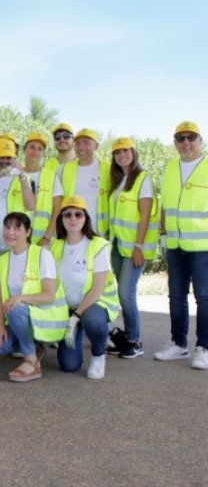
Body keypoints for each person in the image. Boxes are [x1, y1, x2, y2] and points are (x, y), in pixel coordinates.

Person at [0, 212, 68, 382]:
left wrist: (20, 298)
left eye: (18, 228)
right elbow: (0, 300)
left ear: (28, 232)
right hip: (21, 318)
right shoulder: (2, 260)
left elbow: (49, 295)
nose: (11, 232)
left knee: (15, 306)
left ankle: (31, 360)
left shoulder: (42, 255)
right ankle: (34, 347)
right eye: (7, 227)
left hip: (47, 320)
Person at [50, 196, 120, 379]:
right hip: (68, 308)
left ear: (85, 218)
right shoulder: (55, 246)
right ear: (61, 219)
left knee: (93, 321)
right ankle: (76, 334)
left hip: (93, 305)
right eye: (67, 214)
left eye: (78, 214)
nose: (73, 218)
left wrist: (76, 316)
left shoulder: (98, 245)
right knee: (69, 366)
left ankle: (98, 355)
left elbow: (97, 288)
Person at [156, 121, 208, 369]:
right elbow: (165, 204)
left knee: (204, 297)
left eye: (191, 137)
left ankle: (204, 347)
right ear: (175, 143)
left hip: (203, 246)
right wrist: (163, 234)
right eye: (180, 138)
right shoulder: (171, 168)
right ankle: (178, 344)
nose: (185, 142)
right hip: (175, 244)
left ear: (200, 140)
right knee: (176, 297)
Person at [107, 137, 158, 359]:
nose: (122, 155)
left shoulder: (142, 178)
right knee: (125, 292)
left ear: (133, 153)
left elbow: (145, 214)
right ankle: (128, 337)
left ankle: (135, 341)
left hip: (134, 248)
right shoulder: (119, 180)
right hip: (119, 246)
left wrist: (138, 246)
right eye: (117, 153)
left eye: (125, 151)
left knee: (125, 294)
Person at [0, 138, 35, 258]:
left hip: (16, 249)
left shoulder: (22, 179)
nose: (5, 161)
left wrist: (22, 177)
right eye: (2, 157)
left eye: (9, 158)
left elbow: (30, 206)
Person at [58, 128, 111, 236]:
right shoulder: (63, 169)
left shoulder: (108, 169)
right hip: (71, 234)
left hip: (99, 234)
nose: (81, 147)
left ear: (96, 146)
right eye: (78, 143)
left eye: (86, 143)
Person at [22, 131, 63, 245]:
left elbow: (57, 210)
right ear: (24, 149)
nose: (35, 152)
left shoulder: (51, 176)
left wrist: (46, 238)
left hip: (42, 241)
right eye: (32, 147)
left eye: (40, 149)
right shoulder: (15, 175)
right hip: (17, 240)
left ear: (44, 153)